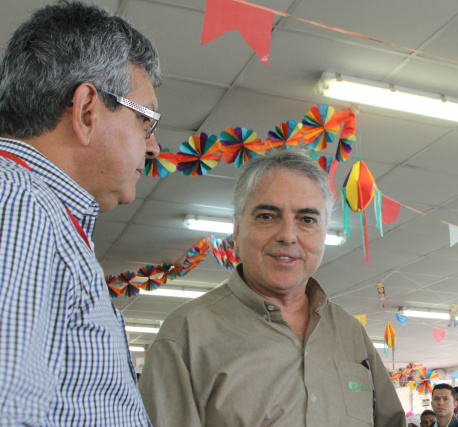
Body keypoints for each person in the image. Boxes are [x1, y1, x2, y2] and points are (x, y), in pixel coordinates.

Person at [138, 149, 405, 427]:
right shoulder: (187, 335)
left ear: (324, 233)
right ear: (238, 230)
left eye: (307, 220)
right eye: (267, 216)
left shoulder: (350, 333)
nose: (287, 235)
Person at [0, 2, 161, 425]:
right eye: (146, 121)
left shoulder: (41, 212)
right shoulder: (22, 206)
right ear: (87, 109)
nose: (153, 146)